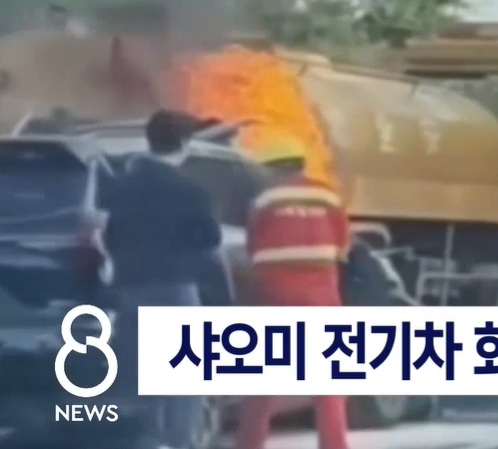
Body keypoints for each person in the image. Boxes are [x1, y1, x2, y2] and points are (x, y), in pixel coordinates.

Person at [103, 109, 221, 449]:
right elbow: (209, 240)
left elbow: (110, 236)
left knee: (140, 376)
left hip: (129, 291)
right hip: (174, 289)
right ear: (184, 143)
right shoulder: (191, 190)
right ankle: (179, 442)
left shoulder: (121, 187)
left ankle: (147, 441)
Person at [235, 136, 351, 449]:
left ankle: (249, 445)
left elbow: (253, 247)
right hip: (322, 300)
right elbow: (342, 247)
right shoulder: (328, 196)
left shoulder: (265, 200)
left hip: (276, 298)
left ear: (272, 168)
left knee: (262, 384)